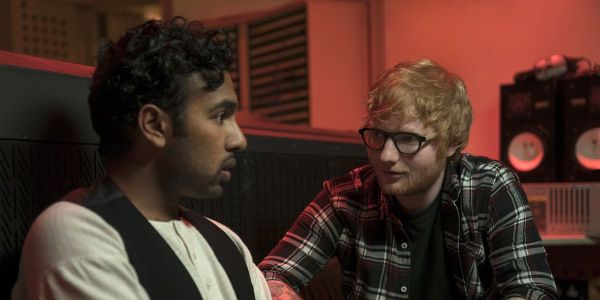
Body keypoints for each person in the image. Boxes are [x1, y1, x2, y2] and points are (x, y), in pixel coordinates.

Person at [12, 17, 269, 300]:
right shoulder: (76, 234)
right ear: (155, 125)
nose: (239, 139)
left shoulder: (226, 242)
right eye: (220, 116)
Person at [259, 59, 559, 299]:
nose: (387, 155)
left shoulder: (490, 187)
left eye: (408, 139)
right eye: (378, 135)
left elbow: (532, 288)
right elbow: (270, 276)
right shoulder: (345, 197)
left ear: (451, 142)